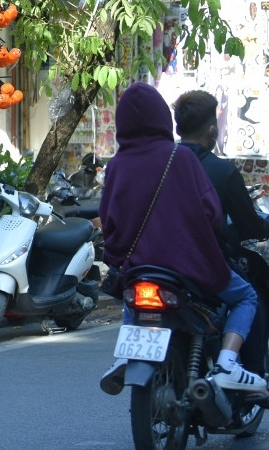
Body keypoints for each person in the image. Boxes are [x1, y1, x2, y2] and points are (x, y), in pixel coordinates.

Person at [98, 82, 266, 395]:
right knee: (246, 296)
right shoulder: (181, 158)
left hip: (140, 265)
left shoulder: (117, 165)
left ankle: (126, 353)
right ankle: (228, 362)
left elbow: (108, 218)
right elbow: (212, 213)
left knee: (131, 286)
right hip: (189, 264)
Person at [174, 89, 269, 375]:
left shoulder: (161, 164)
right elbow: (249, 225)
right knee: (250, 296)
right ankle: (244, 369)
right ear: (212, 130)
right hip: (204, 263)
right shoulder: (220, 171)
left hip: (154, 259)